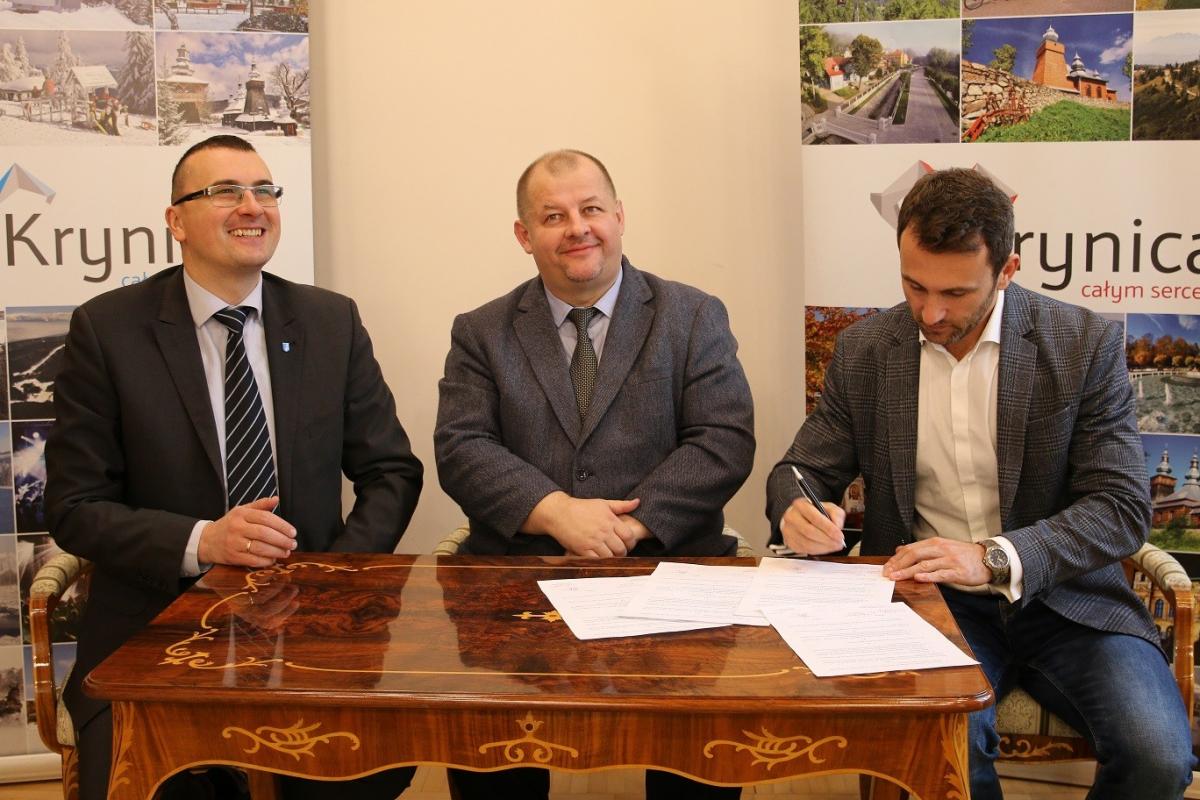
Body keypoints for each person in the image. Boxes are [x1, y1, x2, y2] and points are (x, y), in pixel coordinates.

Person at [767, 167, 1194, 799]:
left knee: (1156, 756)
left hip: (1068, 600)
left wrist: (992, 557)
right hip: (931, 602)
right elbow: (799, 471)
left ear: (1008, 270)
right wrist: (797, 508)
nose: (930, 312)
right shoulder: (867, 350)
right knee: (943, 748)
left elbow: (1120, 507)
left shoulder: (1082, 343)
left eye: (956, 293)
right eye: (914, 285)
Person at [46, 134, 423, 800]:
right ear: (176, 221)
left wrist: (331, 578)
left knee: (363, 773)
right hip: (158, 624)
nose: (252, 206)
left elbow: (391, 470)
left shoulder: (329, 321)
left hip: (310, 623)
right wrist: (204, 541)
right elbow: (75, 507)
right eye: (225, 191)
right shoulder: (108, 330)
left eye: (264, 190)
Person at [435, 149, 754, 799]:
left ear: (619, 216)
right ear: (525, 234)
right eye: (553, 216)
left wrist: (628, 527)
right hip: (519, 579)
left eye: (591, 209)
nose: (577, 228)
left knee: (701, 757)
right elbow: (461, 446)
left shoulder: (693, 315)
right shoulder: (482, 331)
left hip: (668, 569)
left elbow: (724, 440)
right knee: (488, 754)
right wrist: (556, 512)